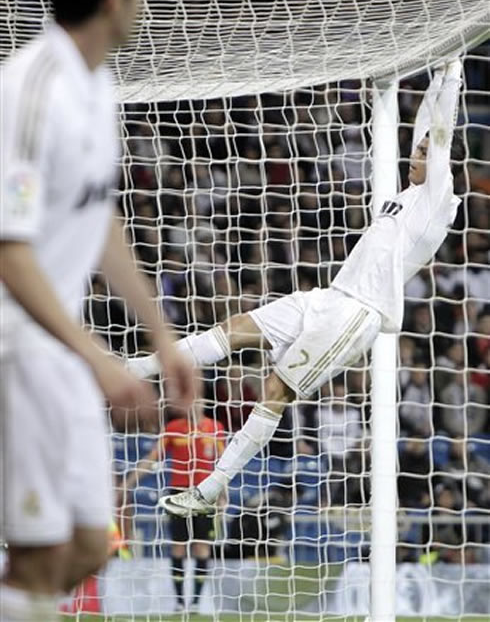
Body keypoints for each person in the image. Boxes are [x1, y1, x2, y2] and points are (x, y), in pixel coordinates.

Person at [127, 61, 465, 517]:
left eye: (424, 152)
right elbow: (429, 125)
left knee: (274, 390)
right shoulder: (407, 195)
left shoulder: (438, 204)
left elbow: (440, 135)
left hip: (356, 315)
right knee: (236, 328)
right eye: (417, 148)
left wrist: (455, 75)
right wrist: (439, 75)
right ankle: (137, 367)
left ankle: (211, 489)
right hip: (328, 298)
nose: (416, 153)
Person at [0, 0, 193, 622]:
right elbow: (9, 252)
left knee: (87, 542)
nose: (142, 7)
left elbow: (98, 217)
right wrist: (103, 362)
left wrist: (161, 334)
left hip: (65, 350)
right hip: (17, 346)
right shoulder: (29, 90)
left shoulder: (98, 85)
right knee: (37, 553)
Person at [118, 378, 225, 613]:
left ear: (204, 402)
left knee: (201, 548)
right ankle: (179, 602)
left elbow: (223, 465)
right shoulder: (174, 428)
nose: (194, 404)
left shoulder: (215, 428)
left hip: (205, 495)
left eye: (197, 399)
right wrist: (128, 483)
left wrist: (223, 496)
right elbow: (152, 458)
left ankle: (196, 601)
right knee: (178, 547)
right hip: (178, 494)